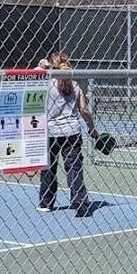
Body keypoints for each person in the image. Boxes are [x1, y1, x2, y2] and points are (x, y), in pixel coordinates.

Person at [39, 52, 100, 217]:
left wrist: (41, 66)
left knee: (48, 168)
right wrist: (92, 129)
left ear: (53, 66)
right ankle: (79, 200)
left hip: (50, 132)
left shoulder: (46, 83)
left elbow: (31, 75)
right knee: (74, 167)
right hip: (72, 132)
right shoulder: (75, 85)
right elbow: (84, 110)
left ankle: (46, 203)